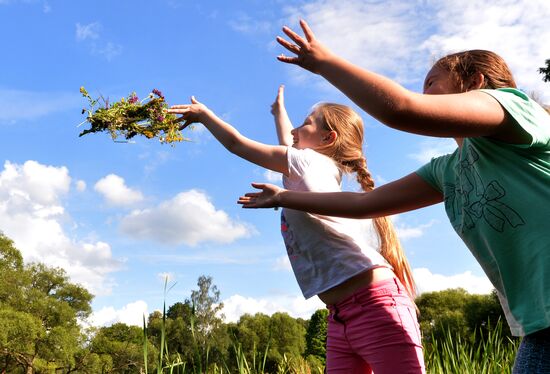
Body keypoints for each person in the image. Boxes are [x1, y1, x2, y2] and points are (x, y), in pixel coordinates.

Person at [237, 20, 550, 374]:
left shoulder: (515, 109)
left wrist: (323, 63)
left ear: (475, 82)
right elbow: (361, 205)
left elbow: (401, 108)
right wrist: (284, 198)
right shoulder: (447, 171)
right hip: (539, 323)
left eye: (432, 83)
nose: (424, 92)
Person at [168, 86, 425, 373]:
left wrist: (205, 115)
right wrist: (280, 113)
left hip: (374, 306)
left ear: (328, 138)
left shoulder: (307, 162)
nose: (296, 130)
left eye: (307, 122)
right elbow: (293, 145)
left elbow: (237, 144)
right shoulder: (317, 168)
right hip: (340, 316)